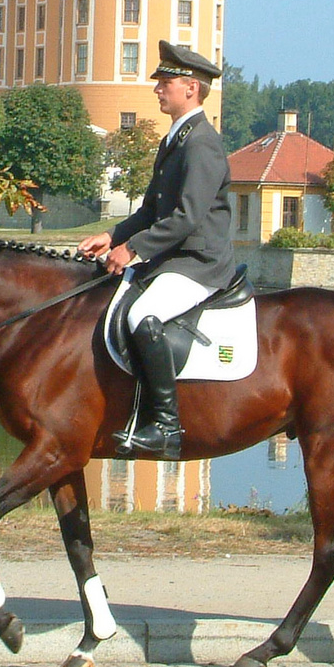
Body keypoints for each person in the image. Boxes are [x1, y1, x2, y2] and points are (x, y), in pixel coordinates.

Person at [79, 40, 236, 460]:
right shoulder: (176, 139)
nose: (157, 89)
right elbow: (150, 209)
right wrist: (113, 236)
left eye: (164, 82)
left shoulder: (201, 143)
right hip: (173, 258)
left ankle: (166, 425)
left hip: (199, 263)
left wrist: (133, 250)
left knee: (141, 315)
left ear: (190, 87)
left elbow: (186, 217)